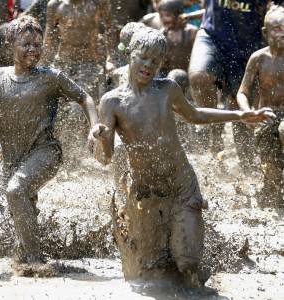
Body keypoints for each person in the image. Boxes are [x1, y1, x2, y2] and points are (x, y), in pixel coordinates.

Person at [91, 27, 274, 286]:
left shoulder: (167, 89)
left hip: (181, 183)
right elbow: (106, 157)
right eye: (143, 58)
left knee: (187, 263)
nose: (148, 65)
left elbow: (196, 115)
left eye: (155, 61)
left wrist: (240, 115)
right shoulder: (112, 102)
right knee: (151, 276)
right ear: (130, 54)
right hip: (147, 191)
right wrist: (100, 138)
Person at [0, 15, 98, 270]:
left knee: (16, 191)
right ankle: (31, 248)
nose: (33, 50)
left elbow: (85, 98)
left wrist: (93, 128)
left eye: (38, 44)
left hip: (46, 151)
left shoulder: (51, 77)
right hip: (12, 159)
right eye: (26, 44)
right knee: (21, 206)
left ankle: (35, 263)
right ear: (9, 47)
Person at [188, 0, 283, 163]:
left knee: (238, 103)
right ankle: (213, 133)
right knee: (200, 76)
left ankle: (247, 159)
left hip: (248, 40)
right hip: (212, 34)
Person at [41, 0, 111, 171]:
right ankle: (60, 152)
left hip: (89, 64)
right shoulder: (55, 6)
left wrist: (111, 58)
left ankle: (75, 156)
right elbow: (49, 37)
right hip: (62, 63)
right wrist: (42, 64)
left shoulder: (99, 4)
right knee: (59, 110)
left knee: (77, 111)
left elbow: (110, 30)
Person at [237, 6, 284, 208]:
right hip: (266, 116)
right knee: (270, 168)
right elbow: (242, 92)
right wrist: (248, 112)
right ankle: (272, 186)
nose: (282, 33)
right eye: (277, 29)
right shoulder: (259, 58)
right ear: (265, 32)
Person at [157, 0, 198, 77]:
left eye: (168, 15)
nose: (164, 19)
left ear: (179, 15)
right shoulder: (163, 34)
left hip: (189, 74)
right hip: (169, 75)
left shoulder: (191, 32)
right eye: (161, 16)